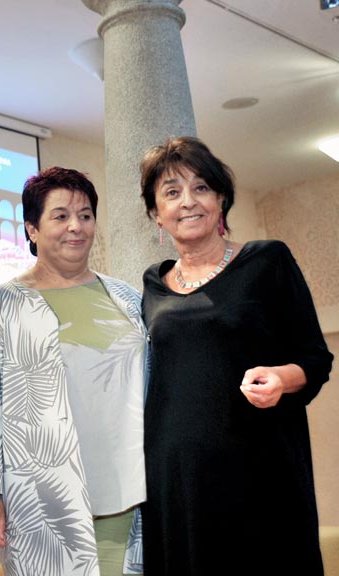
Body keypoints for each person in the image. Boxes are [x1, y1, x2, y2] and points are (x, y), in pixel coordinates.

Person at [139, 136, 332, 575]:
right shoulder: (152, 282)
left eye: (201, 187)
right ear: (155, 213)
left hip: (258, 470)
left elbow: (315, 358)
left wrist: (283, 378)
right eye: (171, 192)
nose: (188, 202)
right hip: (175, 477)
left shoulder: (267, 261)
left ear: (221, 198)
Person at [0, 167, 147, 576]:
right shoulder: (0, 306)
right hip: (41, 495)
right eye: (60, 216)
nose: (75, 227)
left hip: (129, 489)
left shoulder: (128, 299)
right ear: (32, 228)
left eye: (85, 215)